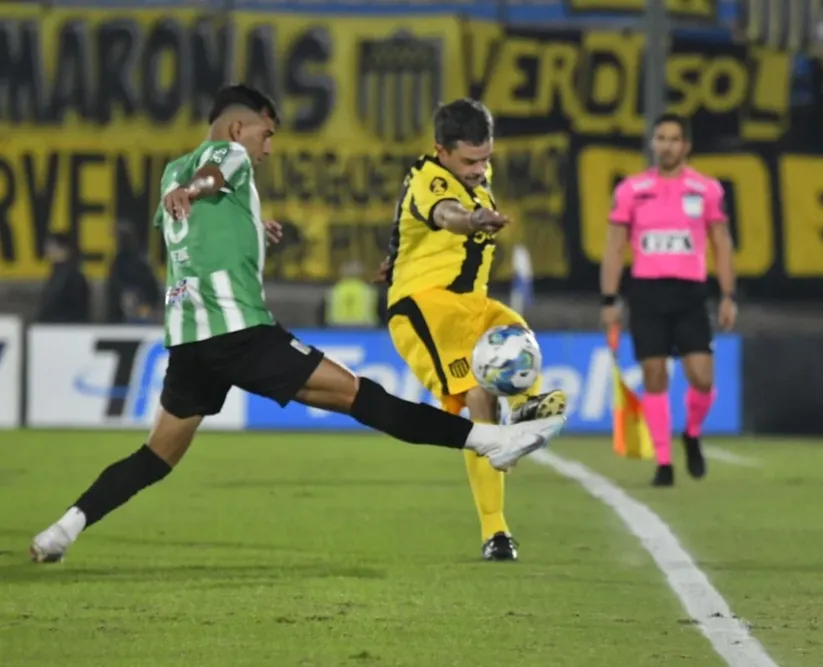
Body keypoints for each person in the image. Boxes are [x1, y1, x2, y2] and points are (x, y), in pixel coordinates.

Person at [29, 85, 565, 564]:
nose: (268, 148)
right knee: (365, 398)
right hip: (239, 333)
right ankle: (488, 439)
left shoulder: (171, 171)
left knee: (154, 457)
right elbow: (216, 173)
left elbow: (196, 227)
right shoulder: (224, 155)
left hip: (189, 342)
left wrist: (251, 224)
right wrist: (200, 187)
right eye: (267, 134)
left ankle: (62, 529)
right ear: (240, 126)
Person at [374, 98, 566, 561]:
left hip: (470, 305)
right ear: (441, 151)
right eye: (470, 161)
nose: (480, 170)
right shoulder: (432, 179)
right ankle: (496, 530)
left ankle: (522, 413)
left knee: (518, 335)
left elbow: (410, 226)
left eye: (486, 158)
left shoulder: (476, 175)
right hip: (427, 310)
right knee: (479, 402)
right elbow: (444, 213)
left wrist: (396, 253)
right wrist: (473, 220)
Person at [599, 113, 737, 488]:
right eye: (661, 138)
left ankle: (692, 433)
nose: (667, 145)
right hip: (646, 291)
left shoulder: (706, 190)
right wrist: (609, 298)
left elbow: (722, 244)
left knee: (702, 377)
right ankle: (664, 462)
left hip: (691, 292)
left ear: (686, 145)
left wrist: (727, 296)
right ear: (653, 143)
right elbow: (614, 247)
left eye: (674, 139)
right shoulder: (632, 189)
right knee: (654, 375)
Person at [36, 232, 91, 324]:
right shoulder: (57, 273)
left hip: (64, 328)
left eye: (51, 247)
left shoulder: (71, 276)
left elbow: (74, 308)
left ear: (64, 249)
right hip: (55, 328)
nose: (47, 251)